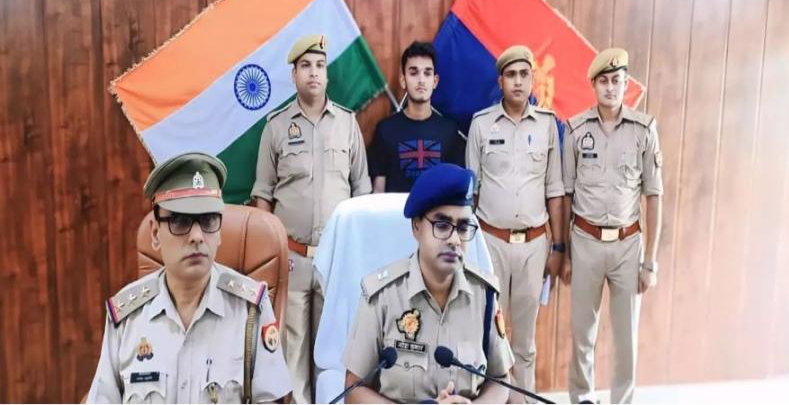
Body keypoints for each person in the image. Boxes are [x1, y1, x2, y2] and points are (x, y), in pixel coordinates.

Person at [87, 152, 292, 403]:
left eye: (208, 220)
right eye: (180, 221)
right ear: (155, 233)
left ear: (220, 232)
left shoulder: (251, 311)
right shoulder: (127, 318)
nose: (196, 236)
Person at [251, 34, 372, 403]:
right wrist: (270, 257)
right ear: (294, 75)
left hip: (336, 258)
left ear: (328, 74)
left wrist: (357, 256)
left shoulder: (347, 124)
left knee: (333, 352)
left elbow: (361, 192)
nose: (313, 73)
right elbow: (262, 197)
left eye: (320, 65)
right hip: (292, 258)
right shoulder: (275, 127)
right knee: (292, 352)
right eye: (305, 66)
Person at [343, 163, 514, 403]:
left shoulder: (483, 295)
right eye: (442, 226)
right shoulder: (382, 297)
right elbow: (353, 389)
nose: (455, 240)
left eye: (463, 228)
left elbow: (501, 379)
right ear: (416, 226)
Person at [561, 48, 663, 404]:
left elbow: (654, 196)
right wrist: (564, 253)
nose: (610, 87)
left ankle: (622, 400)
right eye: (603, 81)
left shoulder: (644, 129)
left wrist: (650, 262)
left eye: (616, 80)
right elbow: (566, 194)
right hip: (584, 241)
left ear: (625, 84)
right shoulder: (576, 130)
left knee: (626, 337)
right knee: (582, 334)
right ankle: (583, 398)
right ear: (593, 85)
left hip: (627, 245)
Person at [465, 44, 565, 400]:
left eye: (524, 74)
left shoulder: (548, 125)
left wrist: (558, 247)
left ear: (532, 79)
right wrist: (470, 248)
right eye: (511, 75)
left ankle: (523, 400)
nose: (518, 82)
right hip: (490, 242)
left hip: (534, 246)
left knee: (525, 342)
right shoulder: (481, 124)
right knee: (489, 336)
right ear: (501, 81)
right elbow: (470, 194)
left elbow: (555, 190)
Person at [369, 41, 465, 193]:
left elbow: (455, 187)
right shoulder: (385, 130)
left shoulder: (449, 131)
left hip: (436, 209)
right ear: (403, 80)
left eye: (427, 73)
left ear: (435, 81)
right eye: (414, 73)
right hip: (396, 209)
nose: (421, 80)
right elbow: (378, 190)